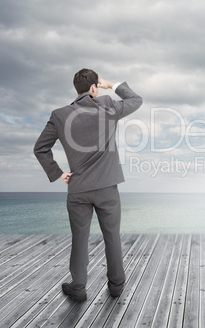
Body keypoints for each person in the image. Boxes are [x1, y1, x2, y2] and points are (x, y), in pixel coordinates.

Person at [34, 68, 143, 302]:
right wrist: (111, 85)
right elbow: (136, 100)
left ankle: (79, 287)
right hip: (107, 188)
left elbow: (40, 148)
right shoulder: (107, 105)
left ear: (76, 89)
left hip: (78, 189)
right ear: (94, 87)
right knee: (111, 236)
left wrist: (58, 173)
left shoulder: (60, 114)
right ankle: (116, 286)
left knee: (79, 239)